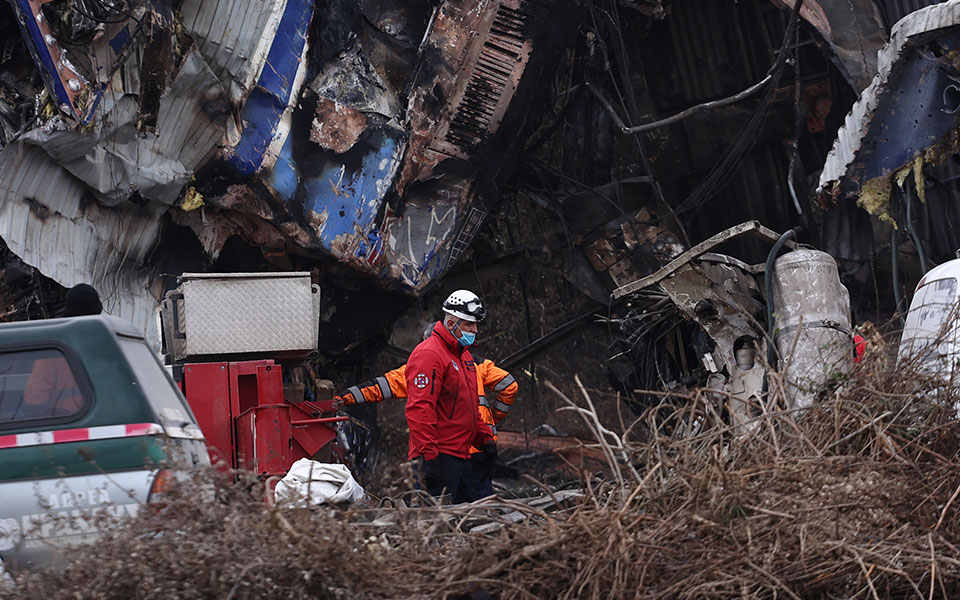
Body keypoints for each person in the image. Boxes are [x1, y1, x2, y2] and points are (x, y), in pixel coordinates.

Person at [334, 334, 518, 497]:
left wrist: (342, 398)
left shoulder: (422, 367)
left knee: (436, 506)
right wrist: (494, 418)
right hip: (479, 448)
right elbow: (509, 385)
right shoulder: (474, 363)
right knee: (480, 506)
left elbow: (379, 387)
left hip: (441, 453)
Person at [403, 290, 494, 503]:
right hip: (438, 457)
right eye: (469, 325)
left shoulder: (464, 356)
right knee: (435, 523)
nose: (475, 330)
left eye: (475, 325)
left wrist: (485, 439)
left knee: (470, 519)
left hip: (461, 455)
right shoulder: (429, 354)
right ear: (452, 324)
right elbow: (419, 408)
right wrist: (429, 456)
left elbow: (469, 404)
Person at [20, 283, 102, 418]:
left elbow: (34, 400)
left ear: (69, 314)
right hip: (107, 423)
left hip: (67, 424)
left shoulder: (55, 348)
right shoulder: (109, 344)